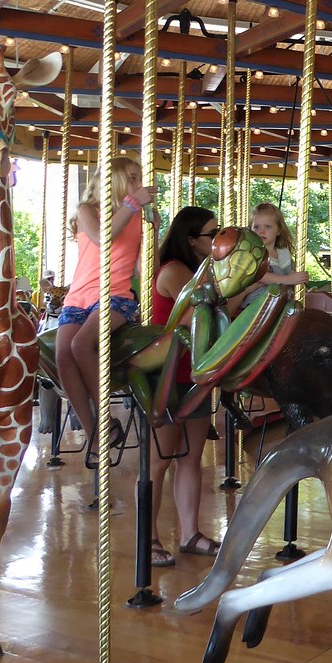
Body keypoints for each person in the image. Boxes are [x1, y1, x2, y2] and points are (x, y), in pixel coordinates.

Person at [56, 156, 158, 462]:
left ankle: (104, 415)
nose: (139, 183)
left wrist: (153, 233)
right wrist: (132, 204)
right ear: (114, 181)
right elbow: (103, 238)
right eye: (132, 178)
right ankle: (96, 432)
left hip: (115, 295)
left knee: (81, 344)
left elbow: (145, 269)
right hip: (78, 297)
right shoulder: (87, 211)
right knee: (63, 355)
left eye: (139, 178)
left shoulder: (137, 219)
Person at [147, 207, 222, 565]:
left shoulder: (198, 271)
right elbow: (196, 315)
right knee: (159, 461)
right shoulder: (175, 271)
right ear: (191, 239)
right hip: (168, 375)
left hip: (193, 374)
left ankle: (190, 533)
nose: (217, 238)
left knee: (191, 458)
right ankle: (149, 538)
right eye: (212, 233)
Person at [234, 202, 308, 310]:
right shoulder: (253, 253)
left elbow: (291, 271)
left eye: (268, 227)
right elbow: (261, 276)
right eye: (256, 227)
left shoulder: (283, 253)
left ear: (278, 230)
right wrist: (288, 279)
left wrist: (299, 277)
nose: (261, 231)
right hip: (258, 304)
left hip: (281, 301)